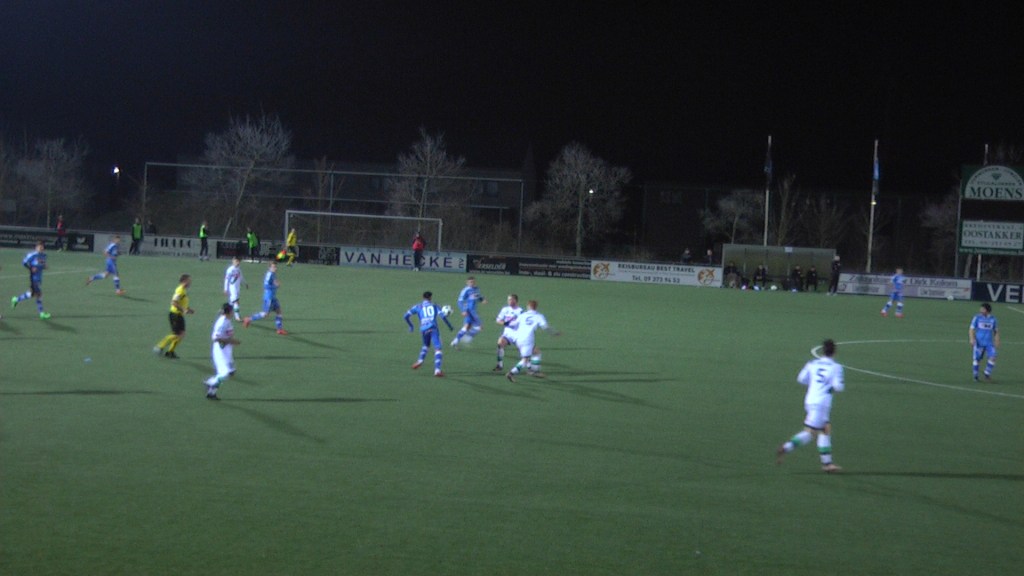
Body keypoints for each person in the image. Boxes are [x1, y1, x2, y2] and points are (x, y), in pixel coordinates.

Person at [776, 339, 844, 473]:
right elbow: (839, 387)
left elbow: (801, 379)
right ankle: (787, 448)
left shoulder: (812, 364)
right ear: (834, 352)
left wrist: (814, 384)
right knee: (813, 432)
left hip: (810, 399)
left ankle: (827, 463)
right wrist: (828, 387)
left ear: (822, 351)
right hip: (822, 403)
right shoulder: (836, 367)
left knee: (823, 429)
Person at [505, 300, 559, 382]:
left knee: (536, 352)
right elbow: (545, 327)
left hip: (518, 338)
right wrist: (554, 333)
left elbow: (512, 324)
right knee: (525, 360)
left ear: (528, 306)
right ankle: (511, 373)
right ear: (536, 307)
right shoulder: (539, 316)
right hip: (528, 339)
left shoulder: (522, 315)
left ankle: (534, 371)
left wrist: (506, 323)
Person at [403, 290, 454, 377]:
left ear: (423, 297)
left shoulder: (418, 306)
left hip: (423, 329)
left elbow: (405, 316)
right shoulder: (435, 306)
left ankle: (420, 360)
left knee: (426, 346)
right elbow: (443, 317)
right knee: (438, 348)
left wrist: (411, 326)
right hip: (433, 328)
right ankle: (437, 370)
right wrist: (450, 326)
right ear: (430, 298)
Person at [204, 302, 240, 400]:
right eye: (232, 311)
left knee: (230, 372)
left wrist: (230, 341)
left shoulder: (227, 320)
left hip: (227, 350)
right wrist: (231, 341)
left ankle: (211, 391)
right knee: (224, 373)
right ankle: (210, 383)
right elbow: (215, 338)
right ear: (229, 312)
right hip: (220, 350)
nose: (233, 312)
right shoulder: (222, 322)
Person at [153, 274, 194, 359]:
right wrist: (183, 309)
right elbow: (174, 302)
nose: (190, 282)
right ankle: (160, 346)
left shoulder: (184, 290)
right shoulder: (180, 290)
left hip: (179, 315)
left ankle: (170, 352)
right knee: (176, 334)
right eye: (189, 281)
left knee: (181, 334)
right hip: (175, 314)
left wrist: (188, 309)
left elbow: (181, 302)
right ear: (184, 281)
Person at [243, 261, 287, 335]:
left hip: (273, 297)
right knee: (265, 314)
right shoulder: (269, 274)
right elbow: (265, 286)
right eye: (273, 267)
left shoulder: (273, 274)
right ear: (269, 268)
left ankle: (279, 329)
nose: (275, 268)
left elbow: (273, 283)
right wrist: (275, 286)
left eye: (276, 267)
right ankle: (248, 319)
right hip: (268, 298)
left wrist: (275, 284)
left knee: (279, 311)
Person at [10, 240, 50, 319]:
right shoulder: (32, 255)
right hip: (33, 278)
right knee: (39, 294)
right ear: (36, 247)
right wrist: (31, 268)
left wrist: (45, 266)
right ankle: (41, 313)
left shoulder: (44, 256)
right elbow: (24, 262)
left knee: (31, 294)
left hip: (39, 278)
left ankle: (16, 299)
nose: (41, 248)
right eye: (40, 246)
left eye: (42, 246)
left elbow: (42, 265)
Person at [451, 276, 487, 348]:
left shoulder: (476, 289)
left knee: (467, 326)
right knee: (480, 327)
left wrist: (482, 300)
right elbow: (460, 301)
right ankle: (468, 337)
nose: (472, 283)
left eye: (473, 282)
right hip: (469, 311)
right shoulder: (465, 290)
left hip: (473, 310)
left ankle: (455, 341)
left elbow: (478, 297)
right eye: (470, 282)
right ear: (467, 283)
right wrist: (463, 310)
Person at [969, 302, 1000, 381]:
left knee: (993, 357)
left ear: (987, 310)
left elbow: (996, 331)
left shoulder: (993, 319)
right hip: (978, 342)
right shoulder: (977, 317)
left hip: (989, 343)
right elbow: (971, 329)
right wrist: (972, 339)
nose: (980, 310)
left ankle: (987, 373)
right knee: (977, 359)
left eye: (982, 309)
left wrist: (997, 340)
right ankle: (975, 375)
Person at [493, 293, 523, 371]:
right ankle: (499, 365)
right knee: (500, 343)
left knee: (524, 353)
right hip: (507, 334)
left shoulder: (520, 311)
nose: (509, 301)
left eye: (510, 299)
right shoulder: (505, 310)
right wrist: (504, 323)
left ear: (515, 300)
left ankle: (531, 367)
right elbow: (498, 320)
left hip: (518, 334)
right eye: (508, 300)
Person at [223, 256, 248, 321]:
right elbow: (226, 279)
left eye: (238, 261)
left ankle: (224, 312)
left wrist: (245, 283)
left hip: (237, 288)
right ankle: (237, 317)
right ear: (233, 261)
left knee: (231, 303)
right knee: (236, 302)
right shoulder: (230, 270)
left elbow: (241, 277)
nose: (237, 263)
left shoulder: (238, 269)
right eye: (236, 261)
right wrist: (225, 289)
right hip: (232, 288)